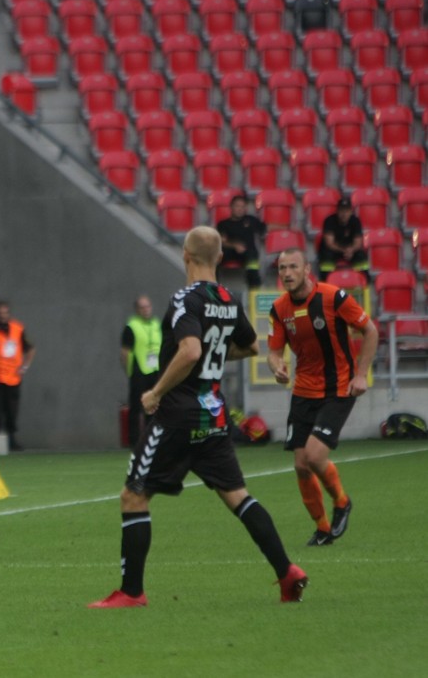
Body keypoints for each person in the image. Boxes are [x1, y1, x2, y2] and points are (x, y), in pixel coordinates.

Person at [89, 226, 307, 608]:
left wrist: (155, 392)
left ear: (185, 257)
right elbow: (252, 345)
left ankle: (132, 592)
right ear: (220, 259)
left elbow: (190, 351)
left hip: (176, 416)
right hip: (214, 416)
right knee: (238, 496)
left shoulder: (185, 300)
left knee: (134, 496)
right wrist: (216, 356)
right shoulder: (227, 298)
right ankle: (287, 571)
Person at [267, 247, 378, 546]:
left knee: (315, 457)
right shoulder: (279, 309)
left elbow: (370, 331)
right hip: (303, 391)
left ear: (306, 270)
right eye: (282, 268)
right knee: (301, 465)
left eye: (293, 267)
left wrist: (360, 374)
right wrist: (277, 367)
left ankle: (342, 502)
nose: (287, 273)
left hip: (339, 387)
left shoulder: (334, 297)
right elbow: (274, 351)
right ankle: (323, 528)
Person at [0, 300, 36, 452]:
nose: (3, 316)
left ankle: (11, 440)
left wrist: (24, 367)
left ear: (9, 314)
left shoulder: (18, 329)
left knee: (11, 410)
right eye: (0, 313)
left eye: (5, 313)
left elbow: (30, 349)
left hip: (13, 378)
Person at [120, 295, 161, 447]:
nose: (146, 310)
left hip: (155, 370)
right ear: (137, 310)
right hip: (139, 371)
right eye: (142, 307)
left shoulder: (157, 324)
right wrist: (128, 370)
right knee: (137, 407)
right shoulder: (131, 326)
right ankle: (134, 440)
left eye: (148, 306)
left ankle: (152, 439)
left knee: (154, 406)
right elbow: (124, 352)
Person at [216, 194, 267, 289]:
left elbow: (266, 228)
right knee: (215, 255)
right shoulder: (223, 224)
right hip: (229, 251)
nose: (240, 209)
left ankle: (254, 289)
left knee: (252, 256)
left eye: (243, 206)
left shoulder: (251, 220)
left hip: (247, 253)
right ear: (231, 207)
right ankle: (213, 288)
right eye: (237, 206)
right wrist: (234, 245)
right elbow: (222, 241)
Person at [316, 197, 370, 283]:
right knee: (326, 255)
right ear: (337, 211)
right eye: (342, 210)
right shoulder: (329, 221)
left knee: (361, 255)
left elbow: (358, 242)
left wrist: (351, 250)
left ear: (351, 211)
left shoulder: (355, 221)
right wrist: (344, 250)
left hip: (350, 250)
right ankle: (326, 282)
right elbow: (329, 243)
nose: (344, 214)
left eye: (346, 211)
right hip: (334, 250)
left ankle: (363, 282)